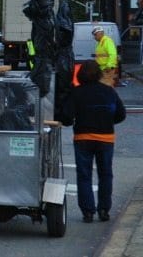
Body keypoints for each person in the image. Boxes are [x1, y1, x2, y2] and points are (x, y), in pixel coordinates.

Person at [61, 60, 126, 223]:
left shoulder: (77, 92)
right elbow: (121, 114)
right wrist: (107, 122)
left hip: (83, 137)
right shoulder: (109, 92)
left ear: (80, 74)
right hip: (106, 138)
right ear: (99, 74)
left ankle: (87, 212)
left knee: (84, 175)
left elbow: (67, 117)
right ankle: (104, 210)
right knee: (105, 174)